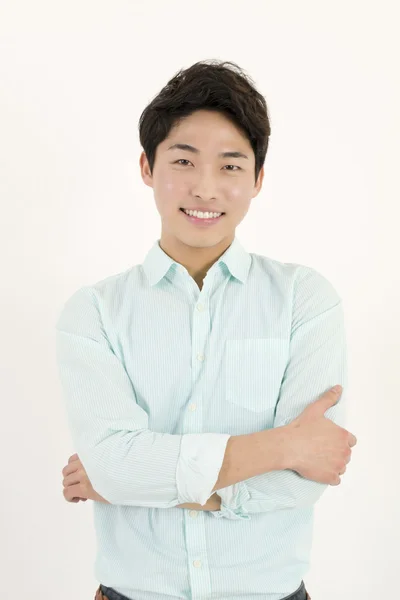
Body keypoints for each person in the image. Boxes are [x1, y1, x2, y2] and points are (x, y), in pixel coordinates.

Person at [56, 59, 357, 600]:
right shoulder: (93, 312)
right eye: (184, 161)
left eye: (231, 166)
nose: (205, 188)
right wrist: (284, 445)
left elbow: (305, 478)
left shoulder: (304, 300)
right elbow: (116, 467)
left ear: (258, 179)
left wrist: (130, 482)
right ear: (147, 167)